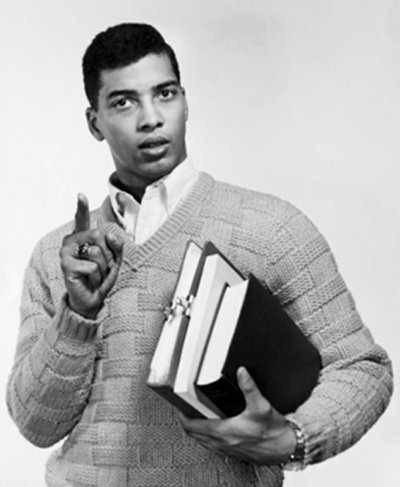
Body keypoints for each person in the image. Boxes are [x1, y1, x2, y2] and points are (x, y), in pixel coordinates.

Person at [6, 23, 393, 487]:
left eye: (164, 94)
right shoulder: (59, 256)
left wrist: (294, 439)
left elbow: (362, 368)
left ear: (185, 101)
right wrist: (78, 313)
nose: (150, 118)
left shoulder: (271, 226)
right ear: (95, 123)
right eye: (124, 102)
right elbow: (36, 425)